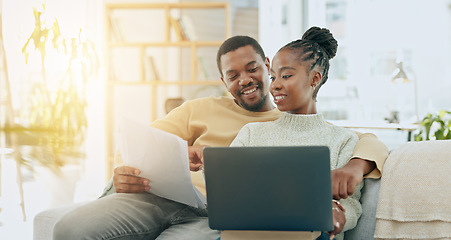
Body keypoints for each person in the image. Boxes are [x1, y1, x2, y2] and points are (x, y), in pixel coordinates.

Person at [51, 34, 388, 240]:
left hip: (212, 217)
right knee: (69, 230)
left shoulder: (317, 129)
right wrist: (129, 169)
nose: (246, 80)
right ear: (223, 81)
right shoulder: (213, 115)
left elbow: (361, 143)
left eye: (254, 69)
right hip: (162, 200)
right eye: (233, 75)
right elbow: (141, 143)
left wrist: (356, 167)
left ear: (266, 64)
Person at [230, 26, 361, 240]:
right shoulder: (251, 134)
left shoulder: (343, 140)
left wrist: (339, 215)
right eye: (273, 78)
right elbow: (228, 187)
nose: (275, 86)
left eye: (286, 75)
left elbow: (351, 203)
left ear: (314, 79)